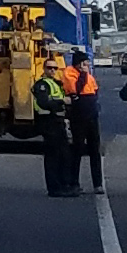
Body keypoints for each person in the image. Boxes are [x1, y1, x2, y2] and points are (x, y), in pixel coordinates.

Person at [30, 56, 76, 197]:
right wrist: (62, 101)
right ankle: (54, 188)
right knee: (53, 156)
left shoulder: (56, 83)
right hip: (48, 122)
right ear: (44, 69)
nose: (52, 70)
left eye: (55, 68)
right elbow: (44, 102)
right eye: (49, 68)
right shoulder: (41, 84)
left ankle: (63, 185)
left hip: (58, 122)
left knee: (63, 155)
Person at [62, 51, 104, 194]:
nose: (88, 65)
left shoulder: (89, 75)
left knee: (95, 150)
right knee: (77, 150)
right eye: (85, 63)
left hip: (91, 115)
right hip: (78, 116)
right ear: (79, 64)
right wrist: (83, 74)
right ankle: (74, 182)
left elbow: (95, 90)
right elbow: (76, 90)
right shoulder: (69, 73)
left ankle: (98, 183)